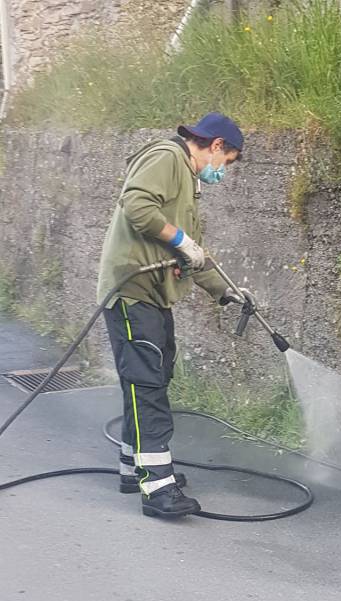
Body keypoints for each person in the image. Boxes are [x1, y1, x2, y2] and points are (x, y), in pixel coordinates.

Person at [97, 112, 256, 520]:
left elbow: (193, 257)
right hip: (132, 291)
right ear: (216, 146)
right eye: (228, 161)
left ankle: (134, 468)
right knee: (146, 384)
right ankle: (158, 488)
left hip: (154, 296)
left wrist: (229, 293)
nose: (224, 171)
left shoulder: (188, 184)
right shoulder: (168, 157)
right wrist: (182, 238)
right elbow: (135, 204)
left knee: (152, 378)